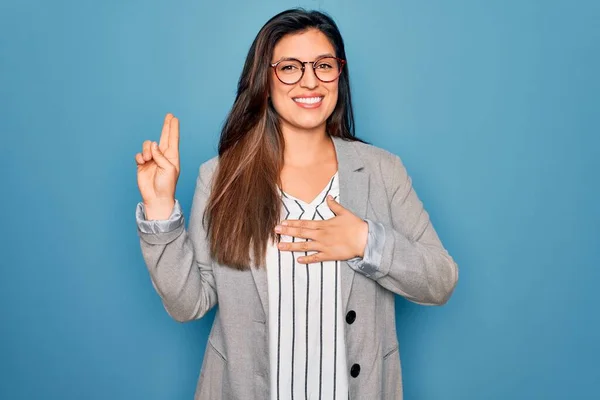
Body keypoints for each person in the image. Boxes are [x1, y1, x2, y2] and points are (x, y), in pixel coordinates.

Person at [134, 8, 458, 400]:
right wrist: (159, 208)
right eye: (290, 67)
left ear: (340, 73)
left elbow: (441, 280)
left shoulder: (382, 172)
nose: (310, 81)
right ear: (265, 80)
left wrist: (365, 241)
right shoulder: (222, 175)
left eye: (324, 65)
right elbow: (189, 303)